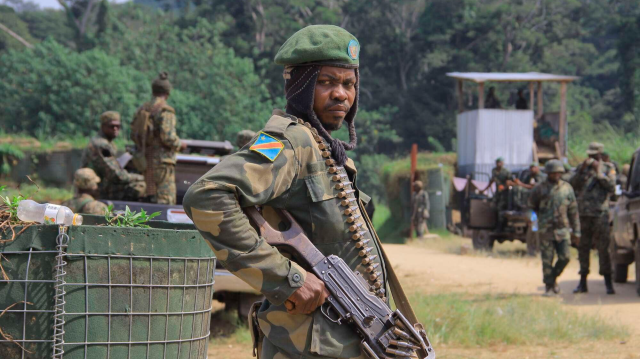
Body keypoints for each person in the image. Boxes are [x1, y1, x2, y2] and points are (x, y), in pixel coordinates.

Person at [183, 25, 385, 359]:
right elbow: (207, 195)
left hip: (345, 338)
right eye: (326, 82)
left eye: (349, 84)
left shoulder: (328, 151)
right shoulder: (289, 142)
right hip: (306, 345)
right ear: (301, 87)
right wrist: (287, 279)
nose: (341, 94)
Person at [528, 160, 580, 296]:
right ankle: (549, 286)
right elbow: (531, 208)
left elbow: (573, 211)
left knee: (565, 257)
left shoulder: (567, 188)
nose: (556, 175)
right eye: (553, 173)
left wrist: (577, 231)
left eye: (558, 172)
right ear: (548, 173)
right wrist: (534, 225)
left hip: (563, 229)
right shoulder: (539, 188)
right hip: (546, 230)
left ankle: (553, 279)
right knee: (547, 260)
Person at [570, 142, 616, 294]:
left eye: (594, 155)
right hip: (583, 215)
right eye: (589, 155)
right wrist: (582, 169)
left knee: (603, 249)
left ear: (600, 154)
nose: (591, 158)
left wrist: (598, 173)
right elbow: (572, 185)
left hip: (600, 215)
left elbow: (611, 187)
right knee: (583, 248)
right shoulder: (581, 169)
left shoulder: (608, 168)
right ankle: (582, 283)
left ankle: (608, 283)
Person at [132, 72, 186, 205]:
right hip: (162, 163)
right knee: (164, 199)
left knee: (149, 196)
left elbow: (133, 134)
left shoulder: (142, 109)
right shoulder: (165, 110)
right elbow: (167, 137)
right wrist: (180, 144)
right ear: (168, 93)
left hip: (145, 160)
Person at [81, 111, 146, 201]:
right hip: (97, 189)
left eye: (118, 126)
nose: (115, 129)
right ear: (103, 126)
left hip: (101, 186)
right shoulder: (101, 145)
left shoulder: (106, 143)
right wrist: (141, 177)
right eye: (111, 126)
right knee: (140, 186)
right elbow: (117, 176)